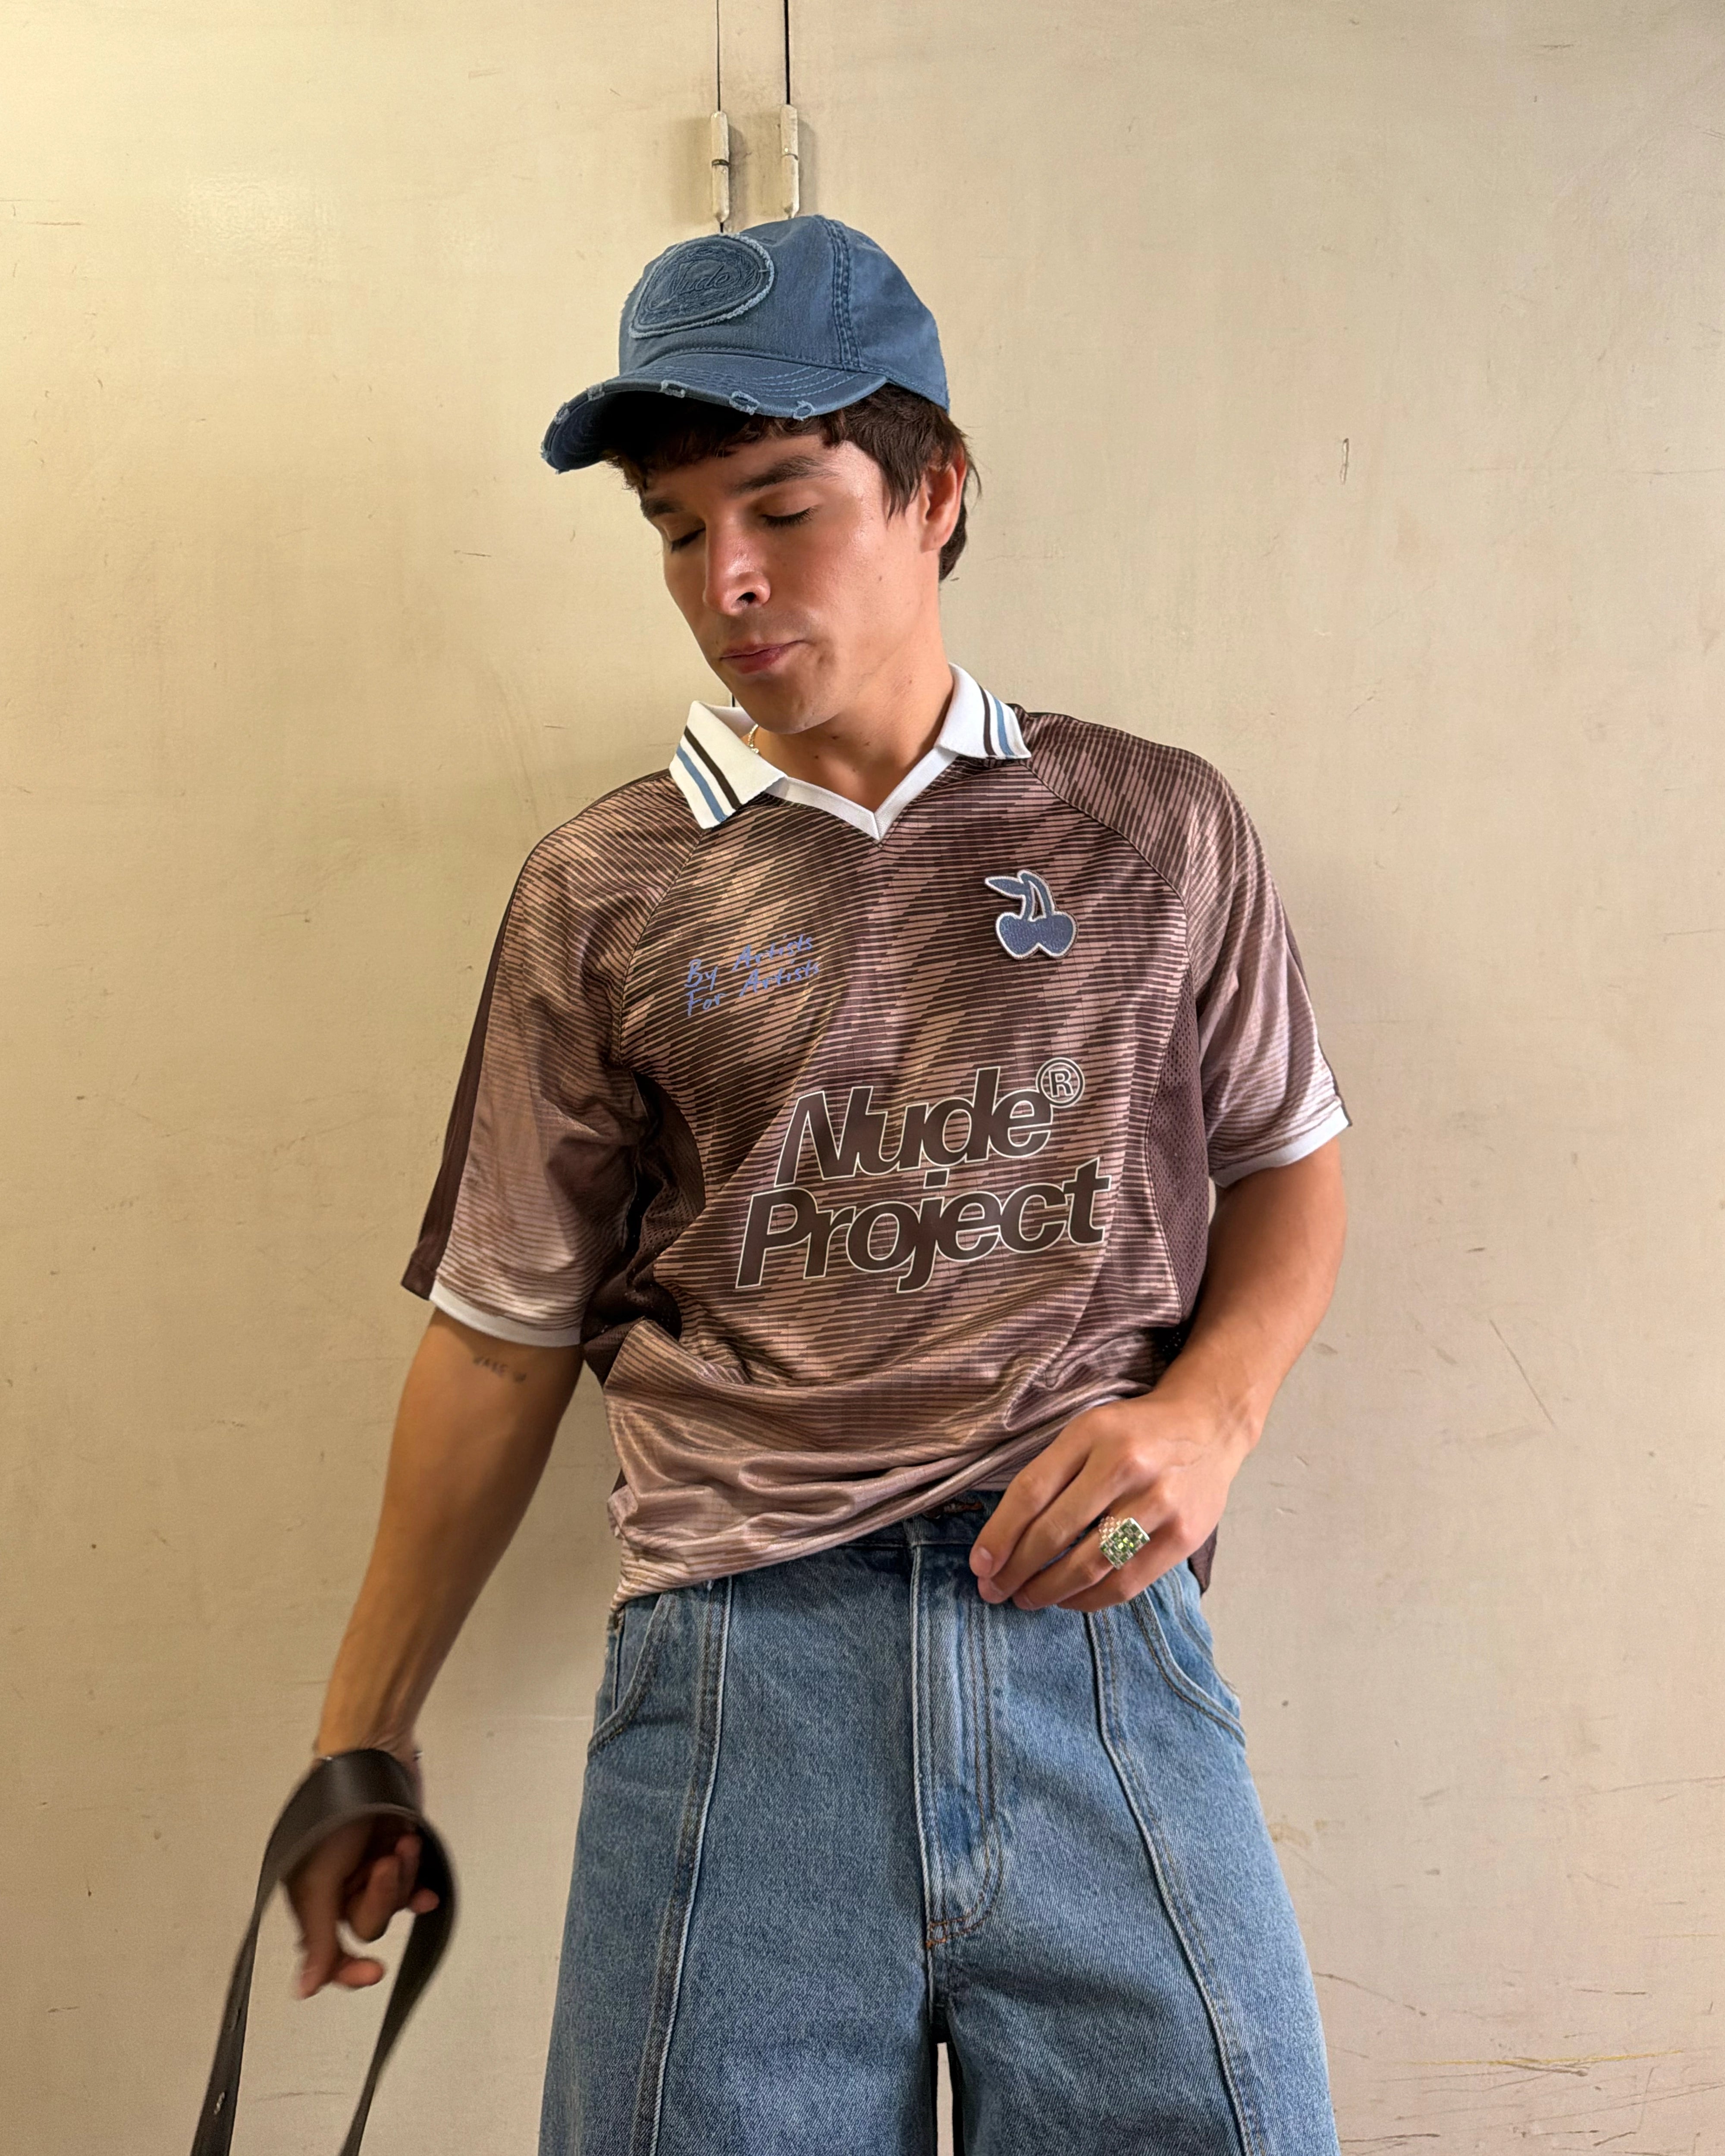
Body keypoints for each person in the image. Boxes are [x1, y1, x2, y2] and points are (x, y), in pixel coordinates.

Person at [289, 213, 1352, 2155]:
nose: (730, 580)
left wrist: (1212, 1410)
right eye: (677, 529)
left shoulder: (1150, 822)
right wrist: (363, 1731)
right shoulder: (607, 889)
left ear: (937, 491)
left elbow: (1288, 1159)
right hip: (735, 1675)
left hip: (1095, 1656)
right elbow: (502, 1336)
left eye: (782, 505)